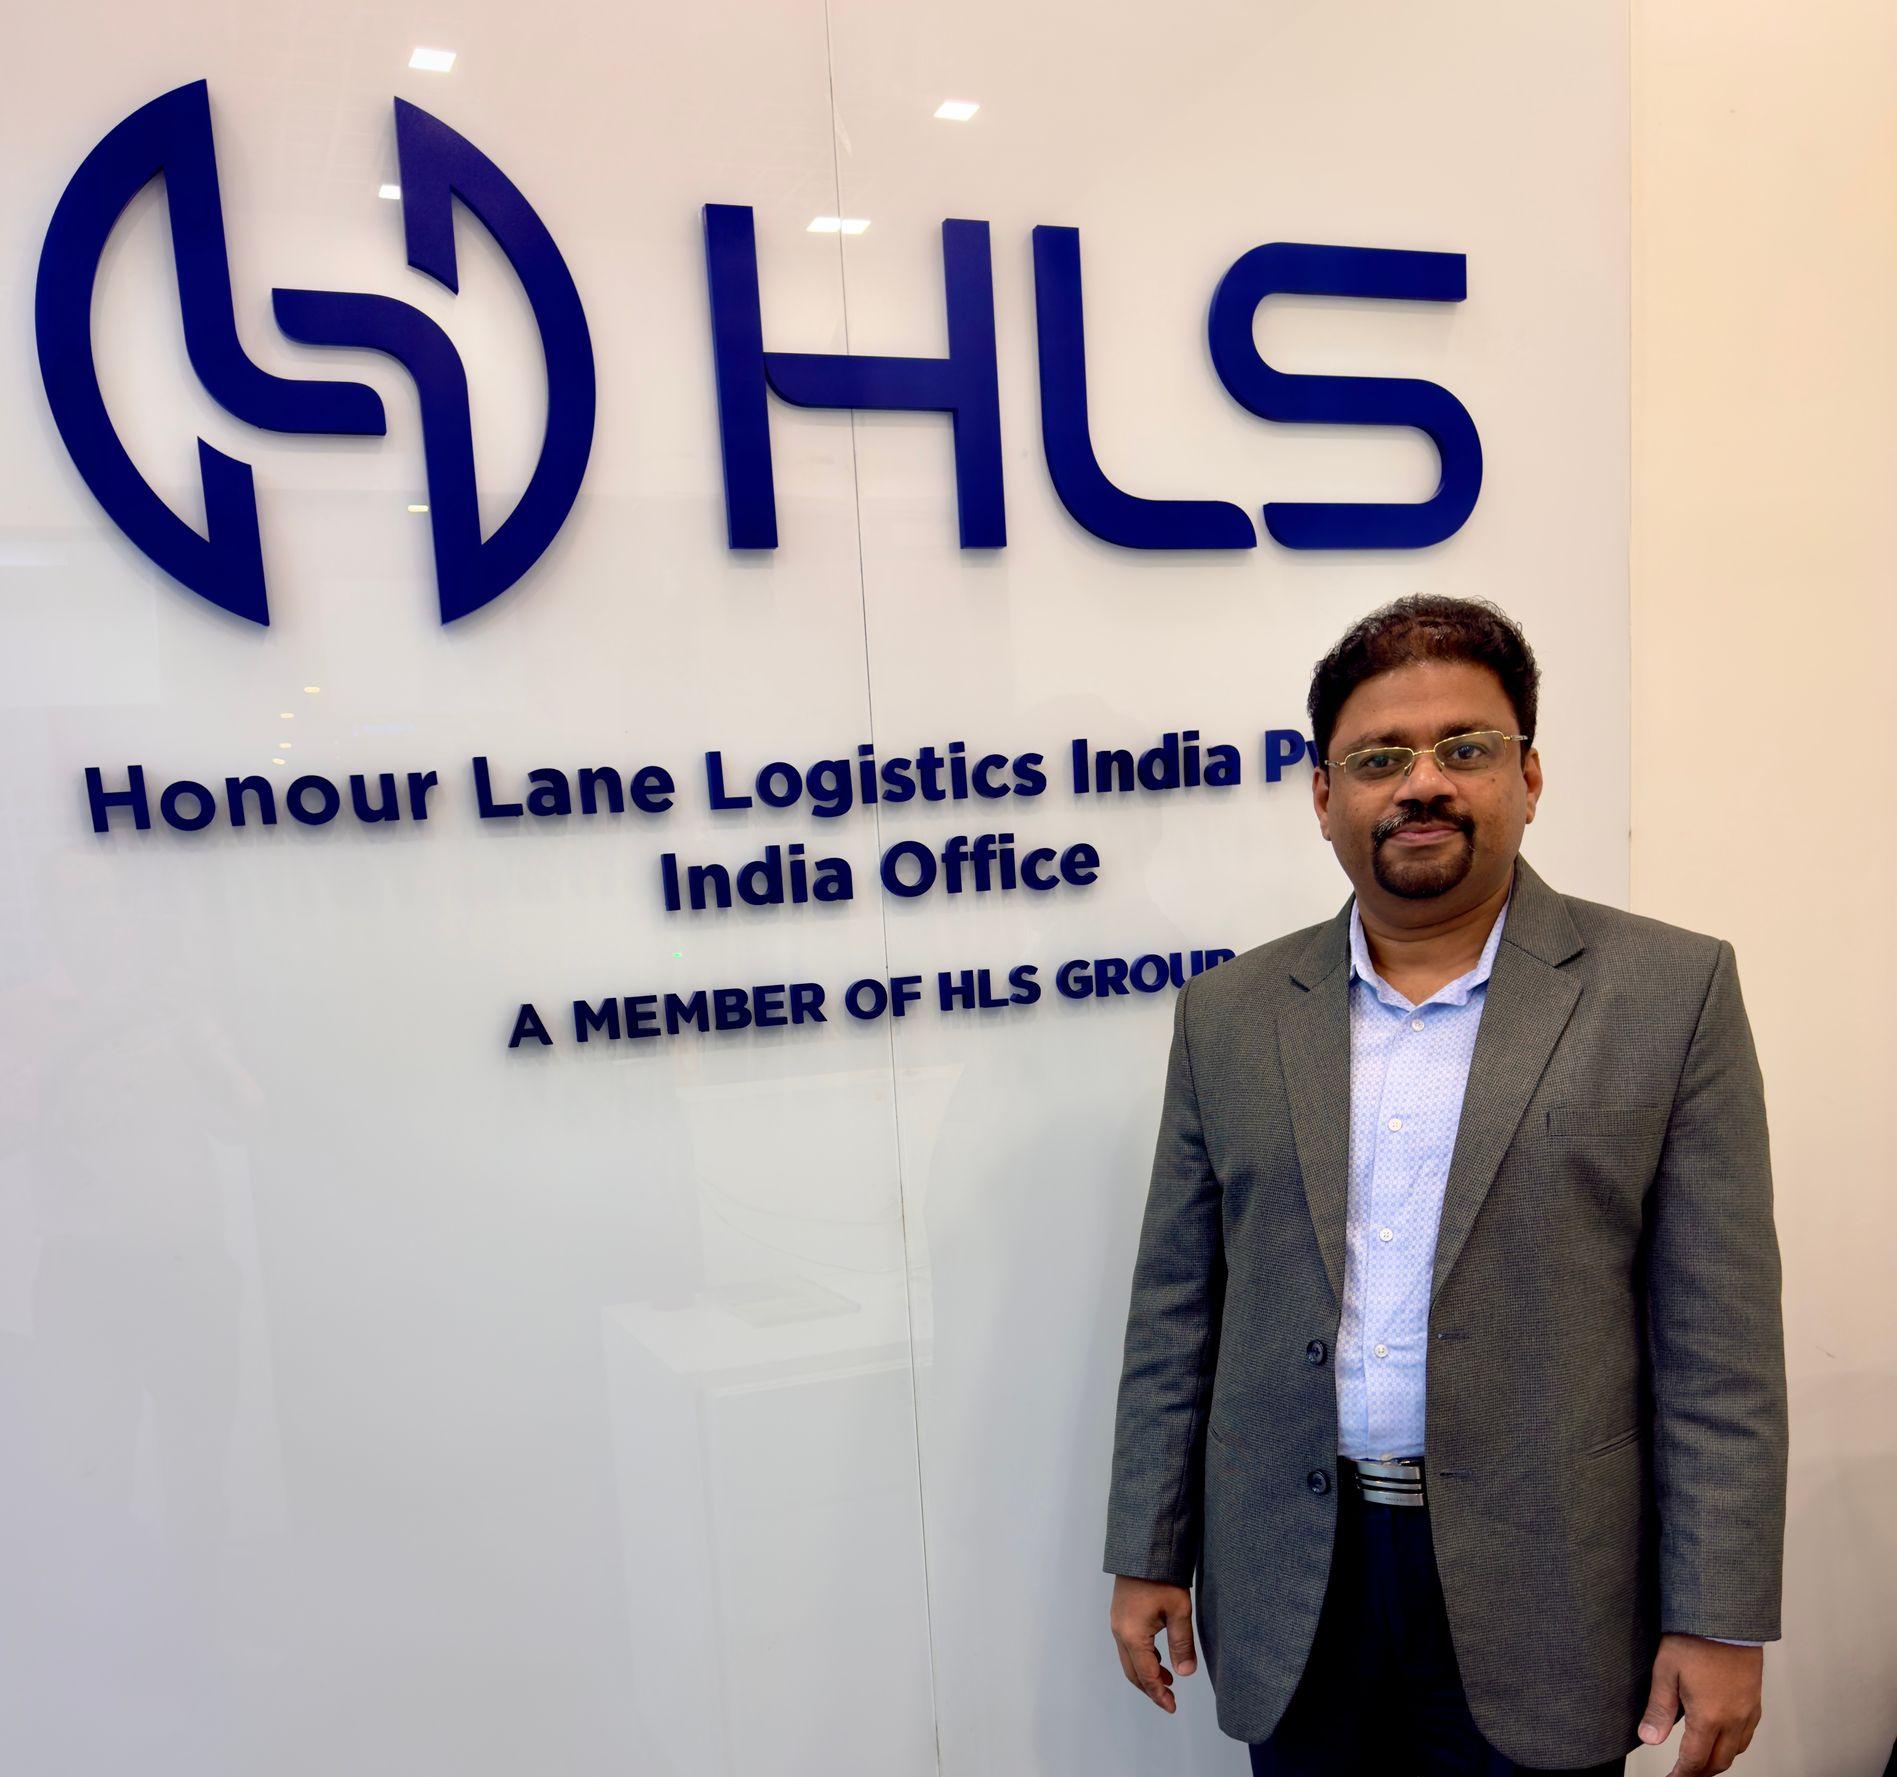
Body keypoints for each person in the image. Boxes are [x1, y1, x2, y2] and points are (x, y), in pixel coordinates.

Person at [1102, 595, 1787, 1776]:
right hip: (1294, 1578)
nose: (1422, 784)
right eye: (1379, 758)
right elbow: (1176, 1308)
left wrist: (1719, 1615)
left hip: (1549, 1587)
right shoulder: (1229, 1015)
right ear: (1324, 796)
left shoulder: (1668, 994)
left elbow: (1717, 1345)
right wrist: (1148, 1546)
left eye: (1463, 747)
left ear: (1529, 775)